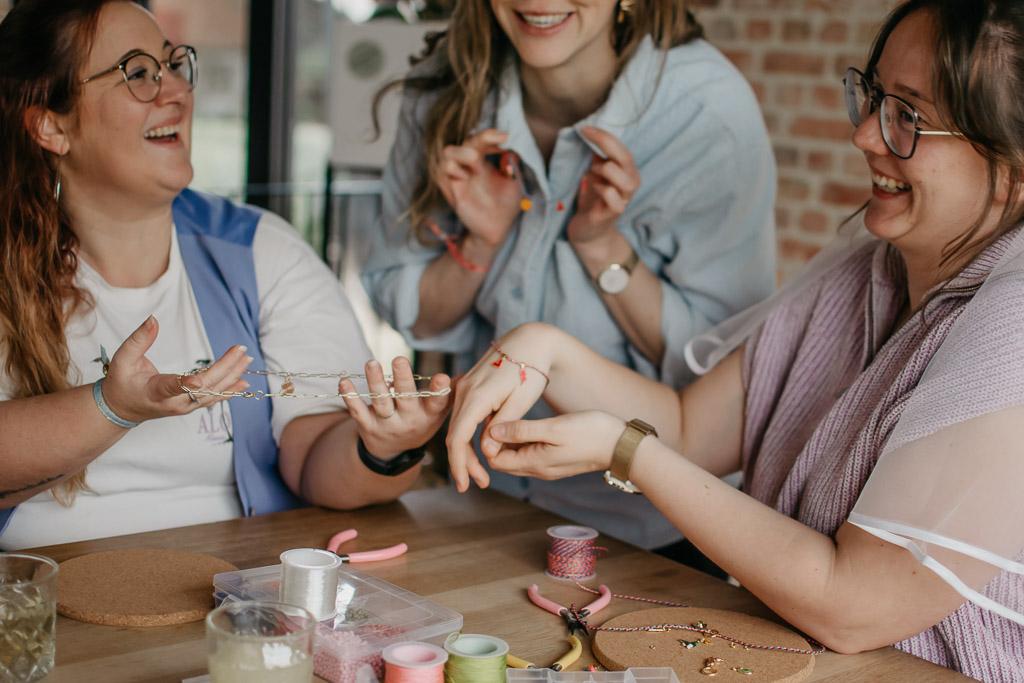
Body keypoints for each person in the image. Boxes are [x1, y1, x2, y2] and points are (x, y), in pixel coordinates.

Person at [446, 0, 1024, 678]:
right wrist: (541, 347)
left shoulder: (1011, 325)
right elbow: (690, 426)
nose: (867, 135)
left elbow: (855, 604)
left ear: (1011, 160)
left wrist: (625, 449)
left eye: (909, 116)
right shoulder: (865, 266)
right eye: (873, 98)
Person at [0, 0, 451, 550]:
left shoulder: (261, 252)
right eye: (138, 73)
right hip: (30, 599)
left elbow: (312, 458)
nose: (176, 91)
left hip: (232, 596)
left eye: (172, 65)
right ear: (51, 125)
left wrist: (385, 448)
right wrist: (111, 407)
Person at [361, 0, 776, 554]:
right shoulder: (443, 91)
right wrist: (481, 243)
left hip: (646, 526)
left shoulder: (706, 114)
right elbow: (409, 311)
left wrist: (601, 248)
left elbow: (717, 369)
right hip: (487, 504)